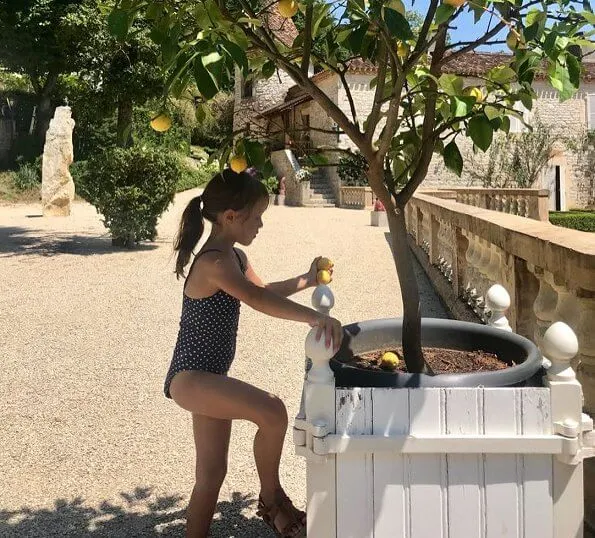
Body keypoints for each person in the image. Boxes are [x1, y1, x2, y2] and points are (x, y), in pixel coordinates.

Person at [165, 168, 343, 538]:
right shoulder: (215, 263)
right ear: (231, 217)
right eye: (257, 217)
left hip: (208, 378)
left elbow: (265, 291)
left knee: (212, 475)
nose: (261, 224)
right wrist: (317, 319)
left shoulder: (235, 258)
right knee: (272, 410)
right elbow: (257, 299)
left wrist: (307, 279)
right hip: (192, 379)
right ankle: (271, 498)